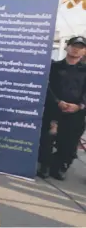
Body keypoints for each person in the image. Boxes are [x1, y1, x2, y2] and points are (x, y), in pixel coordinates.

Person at [37, 36, 86, 180]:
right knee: (47, 140)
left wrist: (79, 106)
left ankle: (59, 167)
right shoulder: (54, 67)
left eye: (80, 47)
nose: (76, 49)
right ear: (66, 47)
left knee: (68, 144)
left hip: (75, 113)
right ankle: (44, 166)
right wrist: (58, 102)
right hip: (54, 110)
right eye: (73, 45)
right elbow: (47, 87)